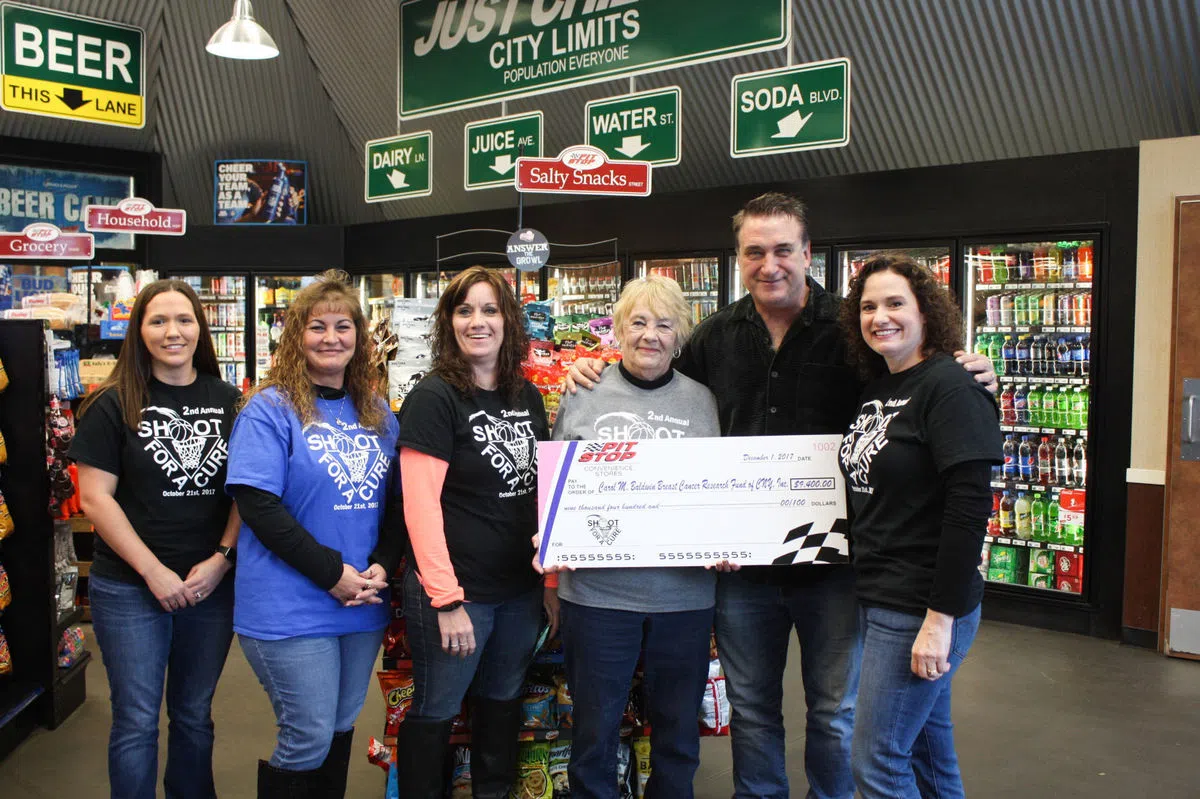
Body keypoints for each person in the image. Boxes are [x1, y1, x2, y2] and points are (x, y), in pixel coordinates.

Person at [568, 192, 996, 799]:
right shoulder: (713, 337)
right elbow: (659, 390)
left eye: (783, 250)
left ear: (807, 252)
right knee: (751, 709)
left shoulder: (853, 331)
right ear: (739, 258)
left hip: (835, 567)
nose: (769, 265)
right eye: (755, 252)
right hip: (741, 570)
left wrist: (969, 370)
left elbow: (916, 381)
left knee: (835, 712)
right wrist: (594, 372)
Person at [541, 275, 723, 798]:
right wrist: (551, 581)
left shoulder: (702, 401)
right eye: (638, 322)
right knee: (594, 734)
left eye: (663, 324)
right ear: (619, 330)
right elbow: (556, 492)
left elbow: (716, 490)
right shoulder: (583, 390)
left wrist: (727, 539)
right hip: (597, 597)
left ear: (679, 335)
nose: (650, 335)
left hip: (683, 599)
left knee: (678, 735)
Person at [225, 270, 400, 797]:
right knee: (308, 736)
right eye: (317, 326)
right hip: (291, 604)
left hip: (363, 601)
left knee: (341, 727)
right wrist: (331, 574)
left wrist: (383, 564)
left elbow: (396, 503)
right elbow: (258, 506)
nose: (331, 338)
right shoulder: (269, 408)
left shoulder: (377, 411)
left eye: (343, 326)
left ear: (359, 338)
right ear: (296, 336)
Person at [70, 279, 241, 799]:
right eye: (158, 321)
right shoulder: (111, 404)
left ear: (200, 329)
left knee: (194, 714)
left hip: (209, 587)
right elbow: (95, 498)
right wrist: (153, 572)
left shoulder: (230, 401)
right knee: (136, 720)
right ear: (139, 332)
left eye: (184, 320)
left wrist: (222, 559)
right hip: (129, 589)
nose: (173, 332)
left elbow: (248, 492)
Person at [838, 254, 1001, 798]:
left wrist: (939, 620)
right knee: (930, 754)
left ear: (926, 311)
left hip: (918, 606)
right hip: (881, 595)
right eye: (868, 307)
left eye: (895, 303)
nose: (880, 317)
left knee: (877, 761)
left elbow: (969, 509)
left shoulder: (951, 387)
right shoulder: (880, 387)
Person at [393, 266, 550, 798]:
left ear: (509, 321)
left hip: (519, 591)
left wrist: (549, 584)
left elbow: (540, 495)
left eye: (489, 310)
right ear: (449, 322)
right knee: (436, 710)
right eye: (464, 310)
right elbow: (419, 507)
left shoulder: (527, 396)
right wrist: (445, 598)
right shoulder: (434, 398)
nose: (477, 321)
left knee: (502, 705)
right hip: (459, 594)